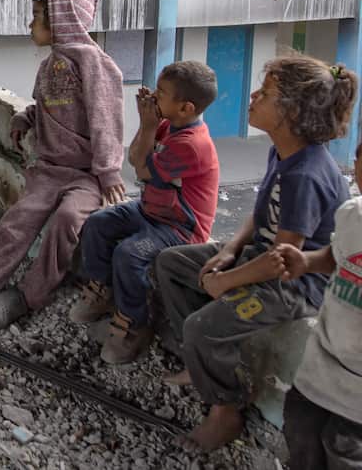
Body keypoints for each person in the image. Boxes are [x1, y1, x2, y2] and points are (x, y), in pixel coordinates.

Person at [155, 55, 357, 452]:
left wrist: (225, 281)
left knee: (202, 326)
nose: (253, 96)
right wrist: (229, 249)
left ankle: (225, 409)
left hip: (295, 283)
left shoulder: (307, 174)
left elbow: (283, 260)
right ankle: (199, 366)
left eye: (266, 93)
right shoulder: (283, 152)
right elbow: (260, 212)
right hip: (263, 255)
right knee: (172, 263)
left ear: (292, 112)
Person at [0, 0, 125, 329]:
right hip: (49, 170)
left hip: (86, 175)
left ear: (61, 20)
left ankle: (28, 295)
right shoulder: (49, 66)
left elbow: (105, 118)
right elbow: (48, 108)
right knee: (18, 222)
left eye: (37, 18)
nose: (31, 26)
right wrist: (26, 117)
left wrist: (108, 172)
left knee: (67, 222)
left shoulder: (93, 63)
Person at [70, 61, 220, 365]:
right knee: (98, 223)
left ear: (186, 108)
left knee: (129, 254)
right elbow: (134, 156)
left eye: (162, 93)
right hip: (151, 209)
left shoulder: (192, 145)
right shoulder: (168, 125)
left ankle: (134, 323)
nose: (153, 96)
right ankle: (104, 291)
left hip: (181, 227)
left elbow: (140, 166)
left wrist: (148, 126)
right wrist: (148, 126)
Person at [272, 147, 362, 470]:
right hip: (322, 365)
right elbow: (337, 254)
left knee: (345, 453)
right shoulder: (353, 214)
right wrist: (306, 261)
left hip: (359, 393)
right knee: (300, 429)